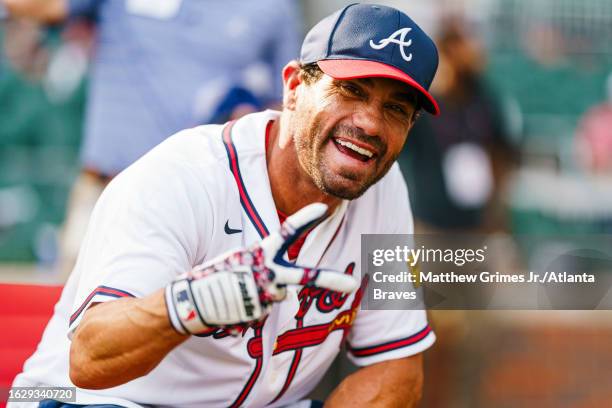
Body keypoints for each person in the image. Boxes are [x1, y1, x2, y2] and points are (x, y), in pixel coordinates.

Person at [10, 4, 439, 407]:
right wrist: (192, 304)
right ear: (292, 87)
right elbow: (88, 358)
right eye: (349, 90)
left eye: (395, 109)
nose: (369, 123)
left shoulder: (382, 188)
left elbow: (398, 367)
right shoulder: (184, 175)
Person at [2, 0, 301, 276]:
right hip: (105, 186)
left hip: (206, 201)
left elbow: (286, 105)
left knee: (187, 324)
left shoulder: (273, 7)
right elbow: (36, 6)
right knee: (69, 319)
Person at [398, 19, 514, 232]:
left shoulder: (485, 99)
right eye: (464, 43)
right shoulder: (425, 103)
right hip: (430, 222)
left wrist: (496, 208)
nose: (473, 49)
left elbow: (503, 153)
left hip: (477, 223)